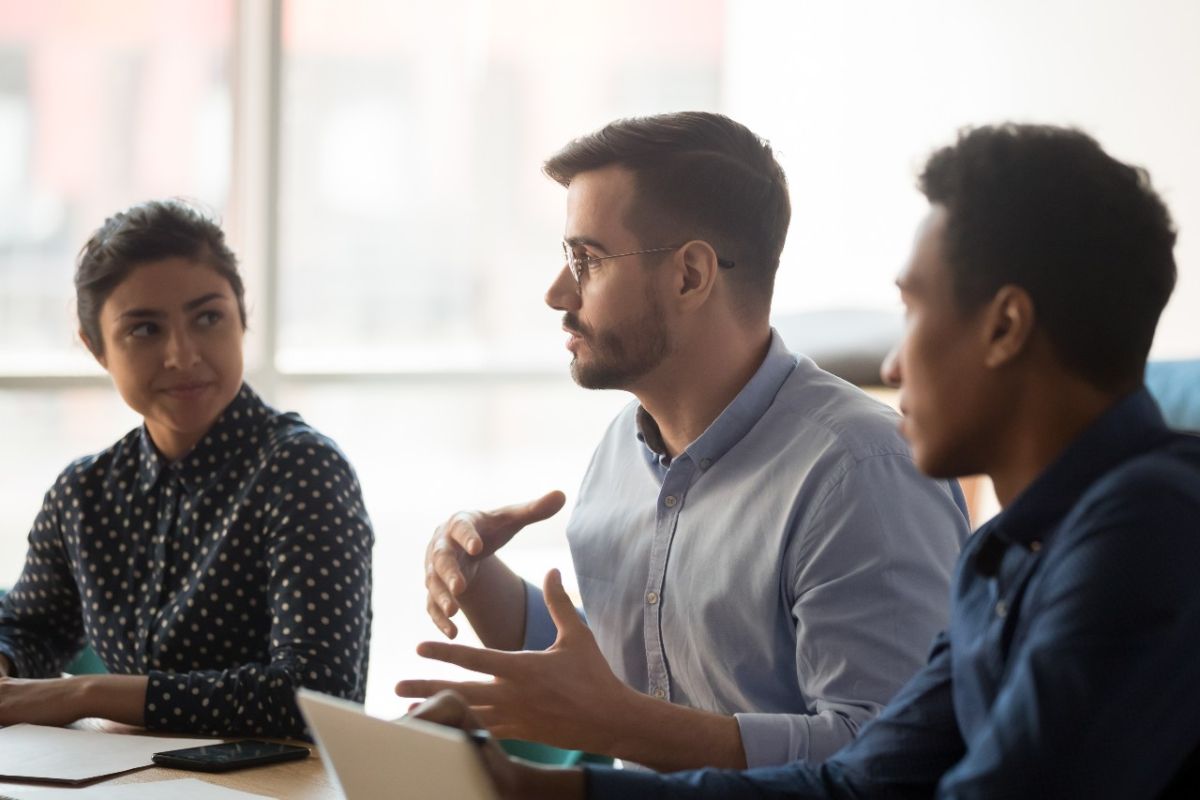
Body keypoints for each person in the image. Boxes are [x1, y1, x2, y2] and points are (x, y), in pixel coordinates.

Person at [413, 122, 1200, 798]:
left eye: (913, 309)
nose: (893, 365)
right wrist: (534, 786)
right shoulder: (1007, 558)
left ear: (1004, 329)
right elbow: (860, 784)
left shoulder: (1151, 534)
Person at [398, 112, 969, 771]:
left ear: (692, 275)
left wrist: (625, 728)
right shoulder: (620, 449)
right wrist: (476, 578)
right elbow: (628, 667)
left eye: (586, 260)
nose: (558, 294)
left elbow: (886, 759)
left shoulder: (861, 471)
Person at [0, 200, 374, 738]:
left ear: (242, 316)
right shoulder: (84, 493)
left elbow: (316, 695)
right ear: (96, 348)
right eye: (145, 330)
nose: (183, 355)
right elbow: (30, 628)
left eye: (208, 318)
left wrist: (84, 693)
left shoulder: (303, 471)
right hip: (125, 781)